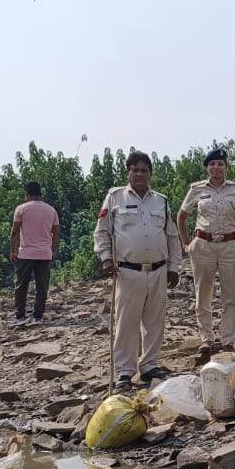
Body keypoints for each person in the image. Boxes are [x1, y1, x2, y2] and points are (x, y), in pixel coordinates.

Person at [94, 151, 183, 391]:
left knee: (154, 322)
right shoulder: (115, 198)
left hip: (158, 271)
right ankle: (124, 372)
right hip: (127, 272)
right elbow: (102, 232)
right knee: (126, 323)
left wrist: (174, 267)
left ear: (150, 173)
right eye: (135, 169)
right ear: (128, 172)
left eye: (144, 170)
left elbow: (172, 236)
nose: (139, 173)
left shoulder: (161, 201)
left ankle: (150, 365)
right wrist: (105, 258)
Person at [178, 148, 235, 357]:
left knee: (231, 296)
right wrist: (187, 243)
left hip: (231, 246)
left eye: (220, 164)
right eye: (212, 164)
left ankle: (228, 341)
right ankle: (206, 339)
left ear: (226, 167)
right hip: (203, 245)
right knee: (203, 293)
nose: (216, 167)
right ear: (207, 167)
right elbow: (182, 216)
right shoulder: (197, 189)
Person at [9, 180, 59, 327]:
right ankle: (38, 316)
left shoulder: (21, 209)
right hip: (44, 254)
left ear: (27, 194)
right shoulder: (51, 210)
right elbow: (56, 232)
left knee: (21, 285)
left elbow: (14, 232)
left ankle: (20, 317)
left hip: (25, 253)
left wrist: (13, 251)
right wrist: (53, 250)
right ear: (40, 194)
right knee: (42, 286)